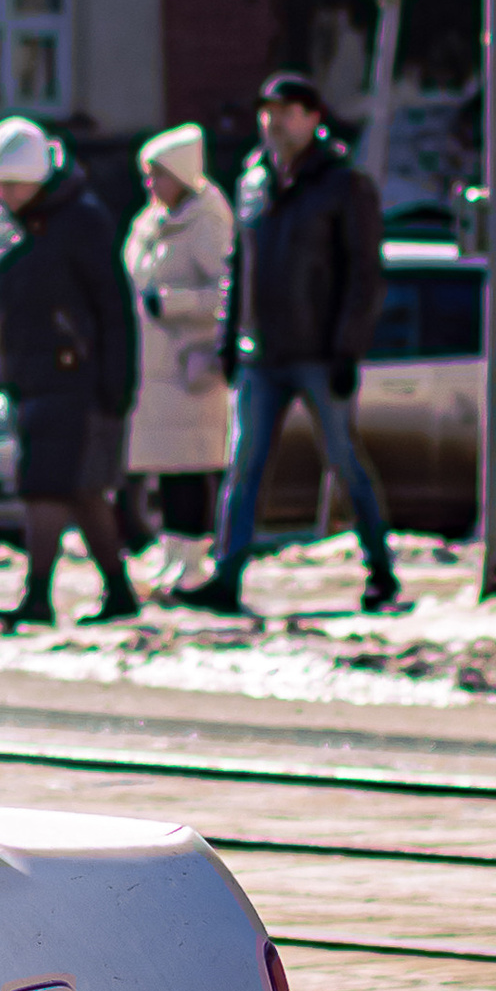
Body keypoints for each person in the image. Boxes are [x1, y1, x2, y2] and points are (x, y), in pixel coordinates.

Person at [177, 70, 397, 616]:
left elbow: (364, 274)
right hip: (262, 354)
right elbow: (238, 267)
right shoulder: (253, 179)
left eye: (285, 111)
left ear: (313, 118)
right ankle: (227, 576)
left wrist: (349, 348)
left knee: (344, 460)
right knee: (244, 465)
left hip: (319, 354)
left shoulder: (343, 183)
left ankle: (381, 572)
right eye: (266, 111)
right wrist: (230, 337)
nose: (272, 121)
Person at [0, 115, 139, 630]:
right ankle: (119, 590)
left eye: (13, 182)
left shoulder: (82, 221)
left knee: (45, 487)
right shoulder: (1, 223)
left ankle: (38, 596)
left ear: (40, 178)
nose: (3, 192)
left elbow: (114, 306)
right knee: (82, 490)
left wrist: (118, 383)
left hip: (76, 377)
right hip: (27, 374)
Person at [122, 122, 236, 590]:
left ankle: (193, 558)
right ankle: (172, 552)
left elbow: (228, 292)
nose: (150, 184)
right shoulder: (151, 220)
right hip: (155, 366)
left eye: (158, 175)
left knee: (190, 466)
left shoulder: (208, 221)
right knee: (166, 466)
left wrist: (174, 303)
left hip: (190, 366)